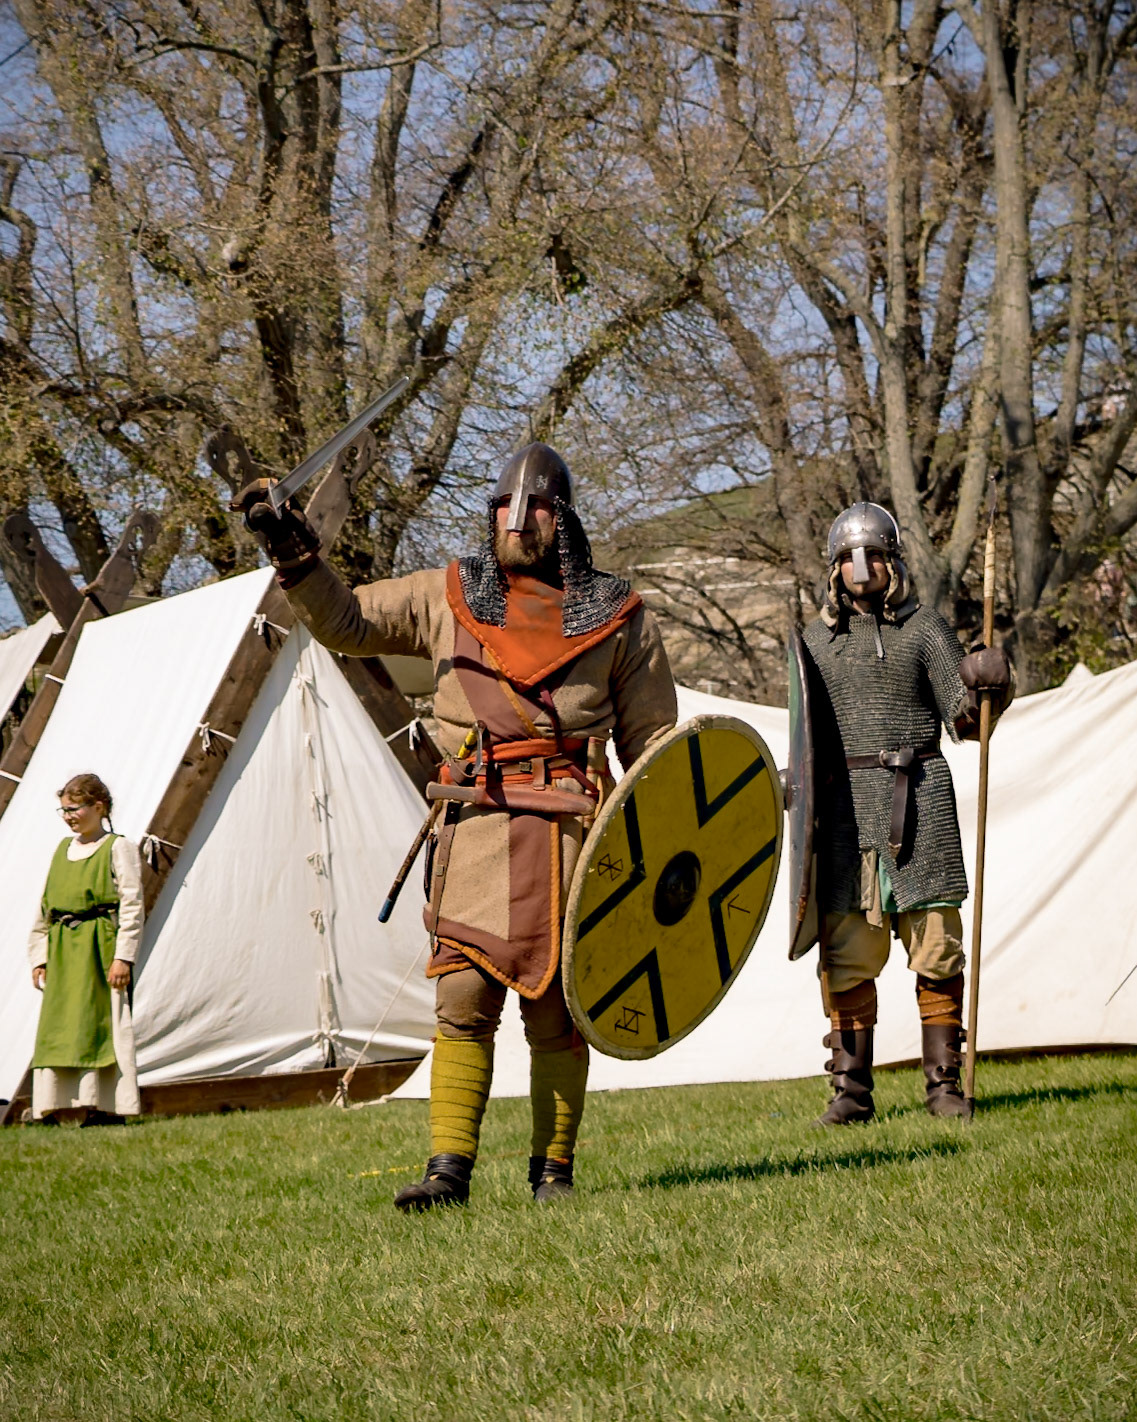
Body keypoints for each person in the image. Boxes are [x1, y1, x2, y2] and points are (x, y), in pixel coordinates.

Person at [233, 443, 676, 1208]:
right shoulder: (447, 595)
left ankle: (553, 1174)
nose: (518, 516)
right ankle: (448, 1171)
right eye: (506, 503)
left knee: (556, 1009)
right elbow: (344, 620)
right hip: (476, 824)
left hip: (572, 833)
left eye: (537, 505)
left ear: (562, 519)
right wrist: (294, 552)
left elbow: (658, 748)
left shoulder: (619, 619)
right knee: (462, 998)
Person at [802, 503, 1013, 1124]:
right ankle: (851, 1095)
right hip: (845, 815)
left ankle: (944, 1088)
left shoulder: (927, 632)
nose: (858, 567)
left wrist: (990, 687)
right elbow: (804, 742)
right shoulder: (815, 644)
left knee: (938, 950)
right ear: (833, 569)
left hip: (920, 802)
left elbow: (969, 726)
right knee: (846, 956)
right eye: (845, 556)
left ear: (892, 562)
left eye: (869, 554)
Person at [29, 773, 145, 1124]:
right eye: (63, 810)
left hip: (100, 949)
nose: (68, 816)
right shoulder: (63, 850)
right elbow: (45, 906)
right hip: (64, 951)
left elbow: (132, 903)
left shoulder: (118, 847)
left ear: (98, 807)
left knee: (103, 1026)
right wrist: (40, 956)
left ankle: (106, 1109)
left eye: (74, 808)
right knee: (61, 1028)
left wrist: (123, 956)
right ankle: (51, 1107)